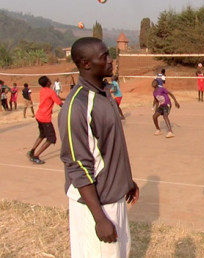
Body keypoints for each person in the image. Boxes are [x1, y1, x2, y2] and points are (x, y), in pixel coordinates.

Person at [58, 37, 139, 258]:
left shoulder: (104, 94)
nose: (111, 61)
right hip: (96, 204)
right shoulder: (78, 106)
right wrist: (99, 218)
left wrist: (126, 181)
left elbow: (109, 148)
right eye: (104, 57)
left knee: (121, 253)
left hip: (114, 197)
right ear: (86, 63)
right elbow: (78, 166)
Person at [27, 76, 63, 164]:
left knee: (42, 135)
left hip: (39, 116)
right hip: (45, 118)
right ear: (48, 83)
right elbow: (60, 104)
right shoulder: (51, 92)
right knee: (51, 139)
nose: (51, 80)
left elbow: (56, 98)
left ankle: (32, 151)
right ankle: (36, 156)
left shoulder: (43, 90)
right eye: (49, 80)